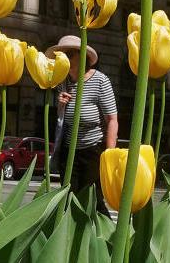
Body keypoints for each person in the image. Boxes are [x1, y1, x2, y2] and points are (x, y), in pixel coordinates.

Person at [49, 34, 118, 214]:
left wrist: (109, 156)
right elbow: (62, 119)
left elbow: (112, 119)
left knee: (93, 200)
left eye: (69, 54)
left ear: (82, 56)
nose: (64, 59)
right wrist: (61, 106)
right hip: (69, 150)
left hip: (93, 150)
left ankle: (101, 238)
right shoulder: (62, 82)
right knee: (68, 199)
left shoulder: (100, 81)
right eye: (61, 56)